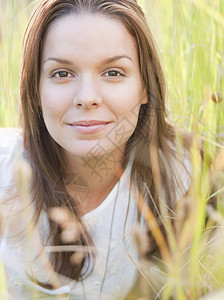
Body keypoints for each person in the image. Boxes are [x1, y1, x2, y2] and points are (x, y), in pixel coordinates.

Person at [0, 0, 191, 299]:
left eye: (113, 72)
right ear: (35, 89)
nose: (87, 97)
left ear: (144, 86)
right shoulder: (5, 170)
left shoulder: (183, 172)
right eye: (62, 73)